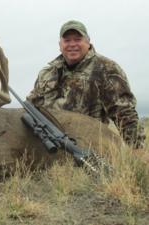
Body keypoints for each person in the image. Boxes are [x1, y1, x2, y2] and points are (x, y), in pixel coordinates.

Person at [27, 20, 145, 149]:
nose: (72, 44)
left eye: (77, 39)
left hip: (88, 147)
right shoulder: (47, 73)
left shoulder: (106, 68)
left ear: (88, 42)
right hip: (49, 146)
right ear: (60, 45)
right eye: (67, 41)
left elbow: (124, 113)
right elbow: (31, 107)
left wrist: (137, 150)